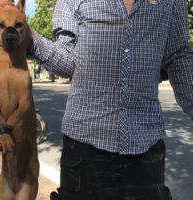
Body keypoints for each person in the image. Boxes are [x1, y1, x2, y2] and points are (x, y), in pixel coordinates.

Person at [28, 0, 193, 199]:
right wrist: (30, 39)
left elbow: (178, 56)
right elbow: (67, 63)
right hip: (85, 144)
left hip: (145, 143)